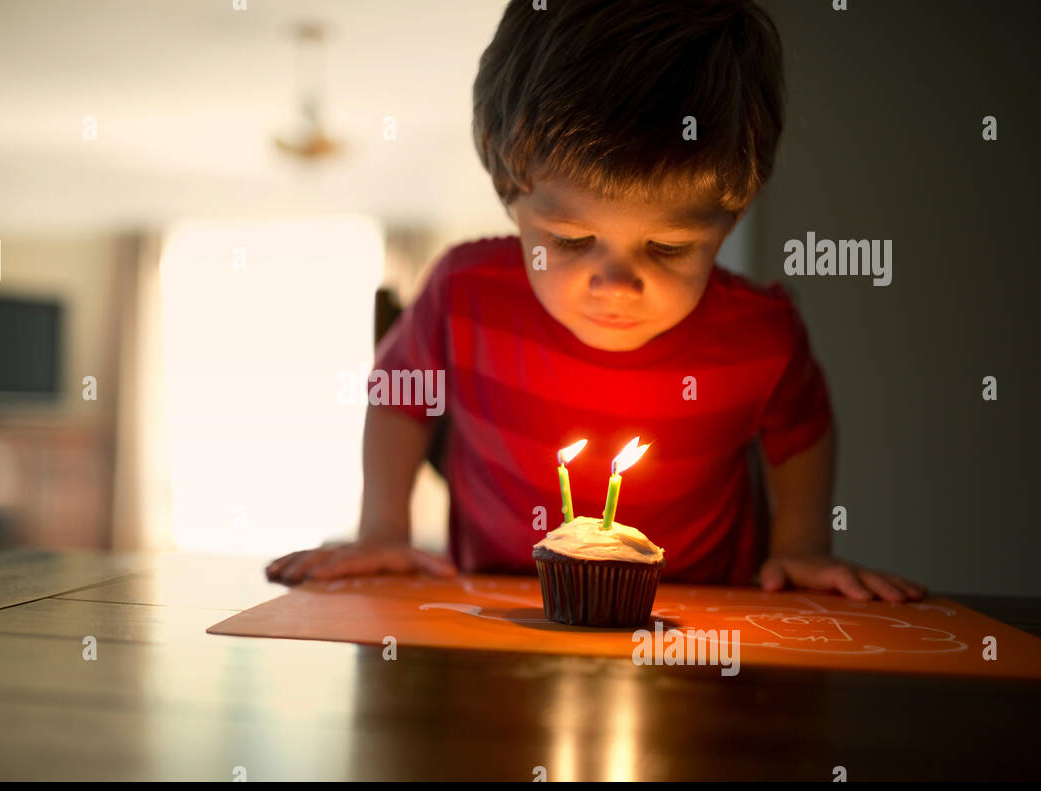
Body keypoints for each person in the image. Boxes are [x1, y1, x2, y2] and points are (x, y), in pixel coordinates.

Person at [268, 0, 924, 602]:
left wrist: (802, 546)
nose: (616, 283)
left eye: (669, 246)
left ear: (733, 213)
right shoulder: (465, 295)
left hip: (694, 633)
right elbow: (400, 392)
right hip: (496, 617)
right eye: (573, 238)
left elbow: (802, 430)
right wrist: (384, 527)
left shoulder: (761, 336)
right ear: (509, 187)